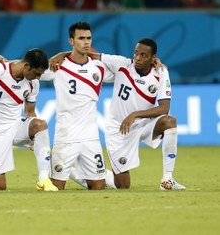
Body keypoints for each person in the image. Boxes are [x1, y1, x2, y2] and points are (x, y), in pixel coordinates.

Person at [62, 39, 185, 190]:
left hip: (143, 124)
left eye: (143, 55)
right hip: (118, 128)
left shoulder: (161, 72)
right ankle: (73, 172)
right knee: (122, 185)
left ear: (153, 58)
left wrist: (135, 115)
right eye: (136, 53)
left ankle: (167, 180)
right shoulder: (121, 64)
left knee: (169, 121)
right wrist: (61, 55)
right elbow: (87, 54)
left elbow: (164, 108)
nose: (138, 58)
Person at [0, 49, 58, 191]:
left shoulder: (33, 83)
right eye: (36, 73)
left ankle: (43, 179)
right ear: (26, 66)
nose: (38, 78)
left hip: (14, 126)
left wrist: (34, 139)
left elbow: (30, 112)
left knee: (40, 125)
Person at [45, 21, 110, 190]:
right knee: (56, 187)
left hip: (91, 137)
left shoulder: (99, 67)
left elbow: (129, 68)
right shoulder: (57, 65)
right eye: (81, 38)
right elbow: (29, 66)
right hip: (66, 136)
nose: (86, 42)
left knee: (98, 186)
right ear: (71, 41)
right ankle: (70, 172)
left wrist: (155, 62)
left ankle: (75, 172)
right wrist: (3, 63)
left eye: (89, 38)